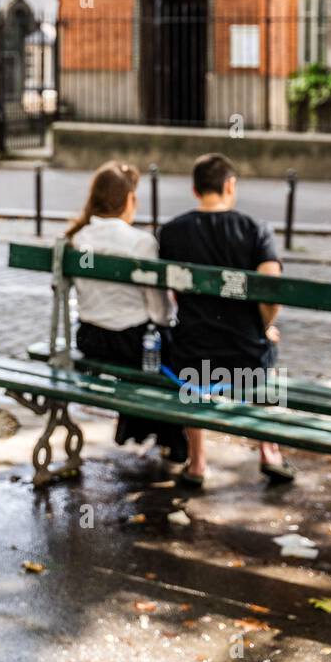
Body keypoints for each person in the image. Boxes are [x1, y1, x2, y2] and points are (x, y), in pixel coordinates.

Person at [158, 152, 293, 488]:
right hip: (245, 353)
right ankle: (268, 451)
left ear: (195, 189)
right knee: (266, 349)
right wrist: (264, 327)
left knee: (193, 371)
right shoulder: (255, 230)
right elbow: (271, 291)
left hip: (193, 353)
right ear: (230, 185)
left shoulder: (172, 232)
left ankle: (198, 462)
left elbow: (172, 291)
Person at [67, 161, 185, 463]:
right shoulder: (141, 242)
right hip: (131, 343)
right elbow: (159, 312)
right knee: (169, 353)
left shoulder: (79, 238)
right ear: (130, 199)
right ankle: (169, 437)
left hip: (90, 338)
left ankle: (133, 426)